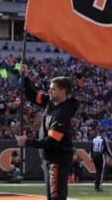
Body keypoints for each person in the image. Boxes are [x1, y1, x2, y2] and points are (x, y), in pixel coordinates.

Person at [16, 64, 79, 200]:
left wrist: (28, 142)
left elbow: (52, 142)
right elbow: (32, 95)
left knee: (56, 196)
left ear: (63, 91)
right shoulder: (52, 102)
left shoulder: (62, 114)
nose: (49, 92)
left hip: (57, 159)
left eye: (53, 90)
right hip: (50, 158)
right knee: (53, 195)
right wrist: (25, 76)